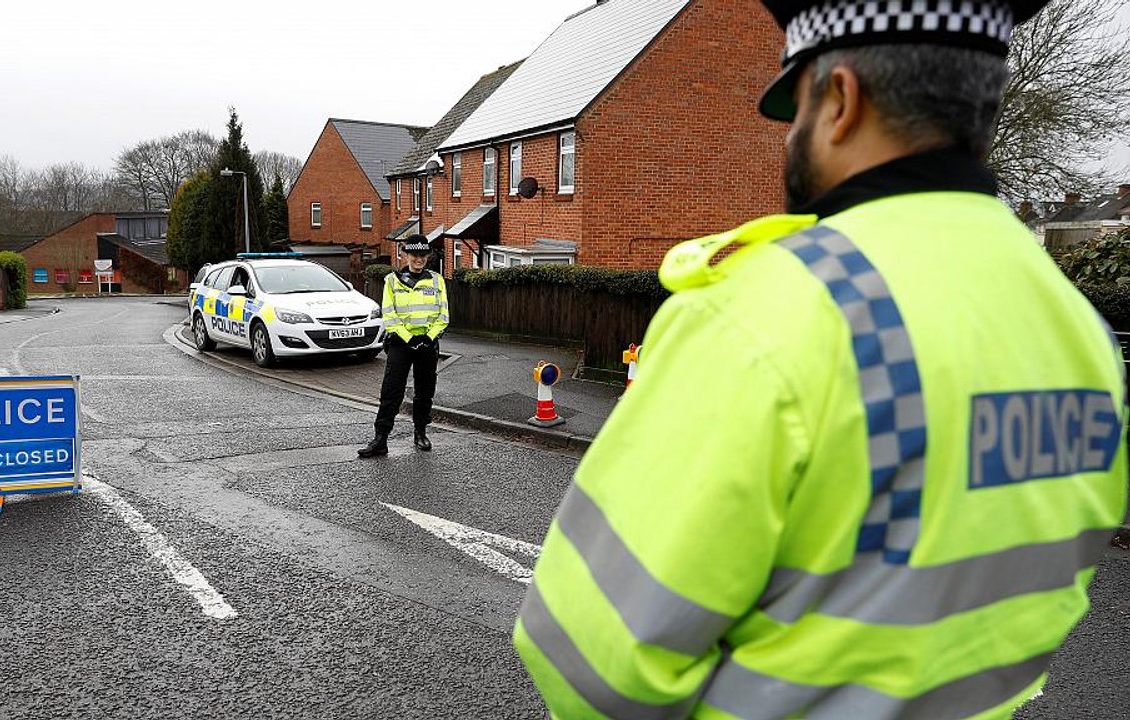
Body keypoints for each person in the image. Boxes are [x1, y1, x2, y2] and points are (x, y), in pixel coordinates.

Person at [514, 0, 1128, 717]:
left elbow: (595, 657)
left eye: (797, 108)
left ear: (840, 99)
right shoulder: (1078, 328)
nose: (788, 140)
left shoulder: (765, 310)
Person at [358, 238, 449, 458]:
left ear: (428, 257)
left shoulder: (437, 281)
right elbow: (389, 313)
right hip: (400, 344)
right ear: (405, 255)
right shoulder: (392, 281)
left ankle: (420, 433)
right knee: (391, 391)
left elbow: (443, 315)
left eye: (423, 255)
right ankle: (381, 439)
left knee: (425, 391)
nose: (419, 259)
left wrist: (427, 338)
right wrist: (409, 338)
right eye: (414, 255)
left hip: (427, 344)